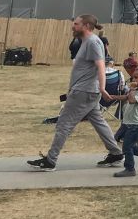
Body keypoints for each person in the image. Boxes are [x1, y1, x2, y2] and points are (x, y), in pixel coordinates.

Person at [28, 15, 125, 171]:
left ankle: (50, 161)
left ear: (85, 26)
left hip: (84, 91)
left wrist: (102, 87)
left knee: (64, 124)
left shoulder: (92, 42)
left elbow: (101, 65)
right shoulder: (87, 42)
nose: (73, 26)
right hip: (86, 91)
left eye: (76, 24)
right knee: (98, 121)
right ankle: (115, 153)